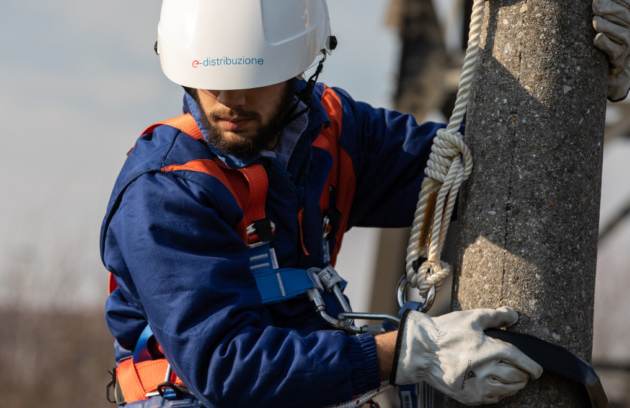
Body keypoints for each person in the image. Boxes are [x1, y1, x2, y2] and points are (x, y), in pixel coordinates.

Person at [101, 1, 630, 407]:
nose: (230, 100)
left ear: (301, 63)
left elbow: (476, 160)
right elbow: (227, 366)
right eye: (210, 79)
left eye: (253, 79)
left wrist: (577, 74)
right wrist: (404, 354)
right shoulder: (167, 191)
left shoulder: (329, 136)